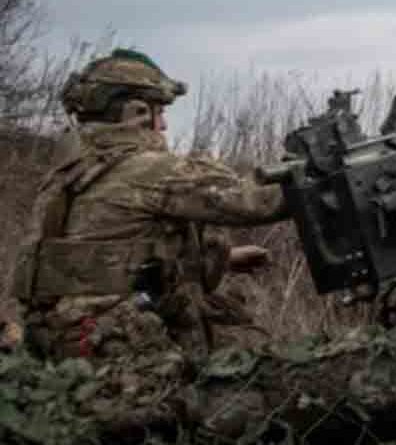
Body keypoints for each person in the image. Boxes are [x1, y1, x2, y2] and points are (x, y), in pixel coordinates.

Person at [9, 49, 288, 360]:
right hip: (122, 355)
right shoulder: (146, 170)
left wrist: (225, 258)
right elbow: (258, 202)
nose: (165, 125)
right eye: (160, 112)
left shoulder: (69, 172)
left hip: (65, 347)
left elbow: (99, 256)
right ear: (136, 112)